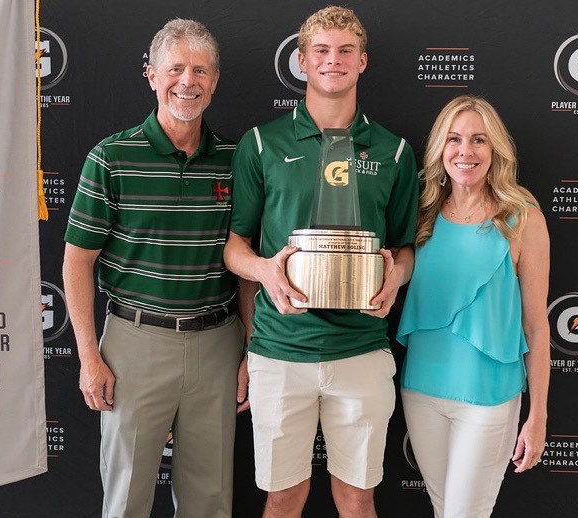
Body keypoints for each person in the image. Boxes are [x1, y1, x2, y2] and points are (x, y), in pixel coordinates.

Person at [224, 6, 419, 517]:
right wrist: (266, 269)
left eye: (345, 51)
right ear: (302, 61)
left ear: (363, 62)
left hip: (361, 350)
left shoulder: (395, 151)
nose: (334, 61)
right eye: (322, 51)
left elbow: (404, 247)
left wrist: (396, 277)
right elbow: (234, 246)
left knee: (356, 499)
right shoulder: (261, 143)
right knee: (283, 497)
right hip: (280, 352)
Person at [62, 18, 249, 518]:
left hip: (217, 343)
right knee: (125, 498)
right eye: (175, 68)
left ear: (214, 81)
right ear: (151, 75)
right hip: (134, 344)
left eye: (200, 70)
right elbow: (76, 262)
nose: (187, 81)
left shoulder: (237, 160)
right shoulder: (111, 158)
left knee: (210, 500)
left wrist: (251, 349)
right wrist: (88, 357)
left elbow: (248, 267)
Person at [396, 95, 550, 517]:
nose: (466, 152)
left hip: (489, 398)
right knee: (444, 509)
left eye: (479, 140)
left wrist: (537, 417)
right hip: (422, 390)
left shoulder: (522, 218)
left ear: (495, 149)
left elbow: (538, 327)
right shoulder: (421, 213)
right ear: (440, 149)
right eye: (455, 139)